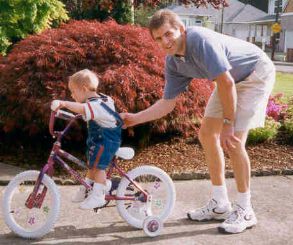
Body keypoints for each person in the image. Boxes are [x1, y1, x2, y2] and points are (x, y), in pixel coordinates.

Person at [120, 9, 275, 234]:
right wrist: (134, 119)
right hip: (228, 81)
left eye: (168, 34)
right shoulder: (174, 63)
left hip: (254, 74)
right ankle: (220, 204)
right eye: (158, 39)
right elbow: (167, 103)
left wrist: (228, 123)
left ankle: (245, 209)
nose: (165, 42)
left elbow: (227, 83)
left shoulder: (200, 41)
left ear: (181, 29)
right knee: (206, 134)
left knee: (233, 141)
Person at [51, 69, 122, 209]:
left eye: (73, 91)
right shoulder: (98, 101)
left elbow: (83, 109)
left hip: (106, 142)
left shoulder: (97, 104)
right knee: (92, 163)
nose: (72, 95)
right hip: (100, 140)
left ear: (83, 89)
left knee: (98, 166)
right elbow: (83, 112)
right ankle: (87, 188)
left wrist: (64, 103)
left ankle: (98, 196)